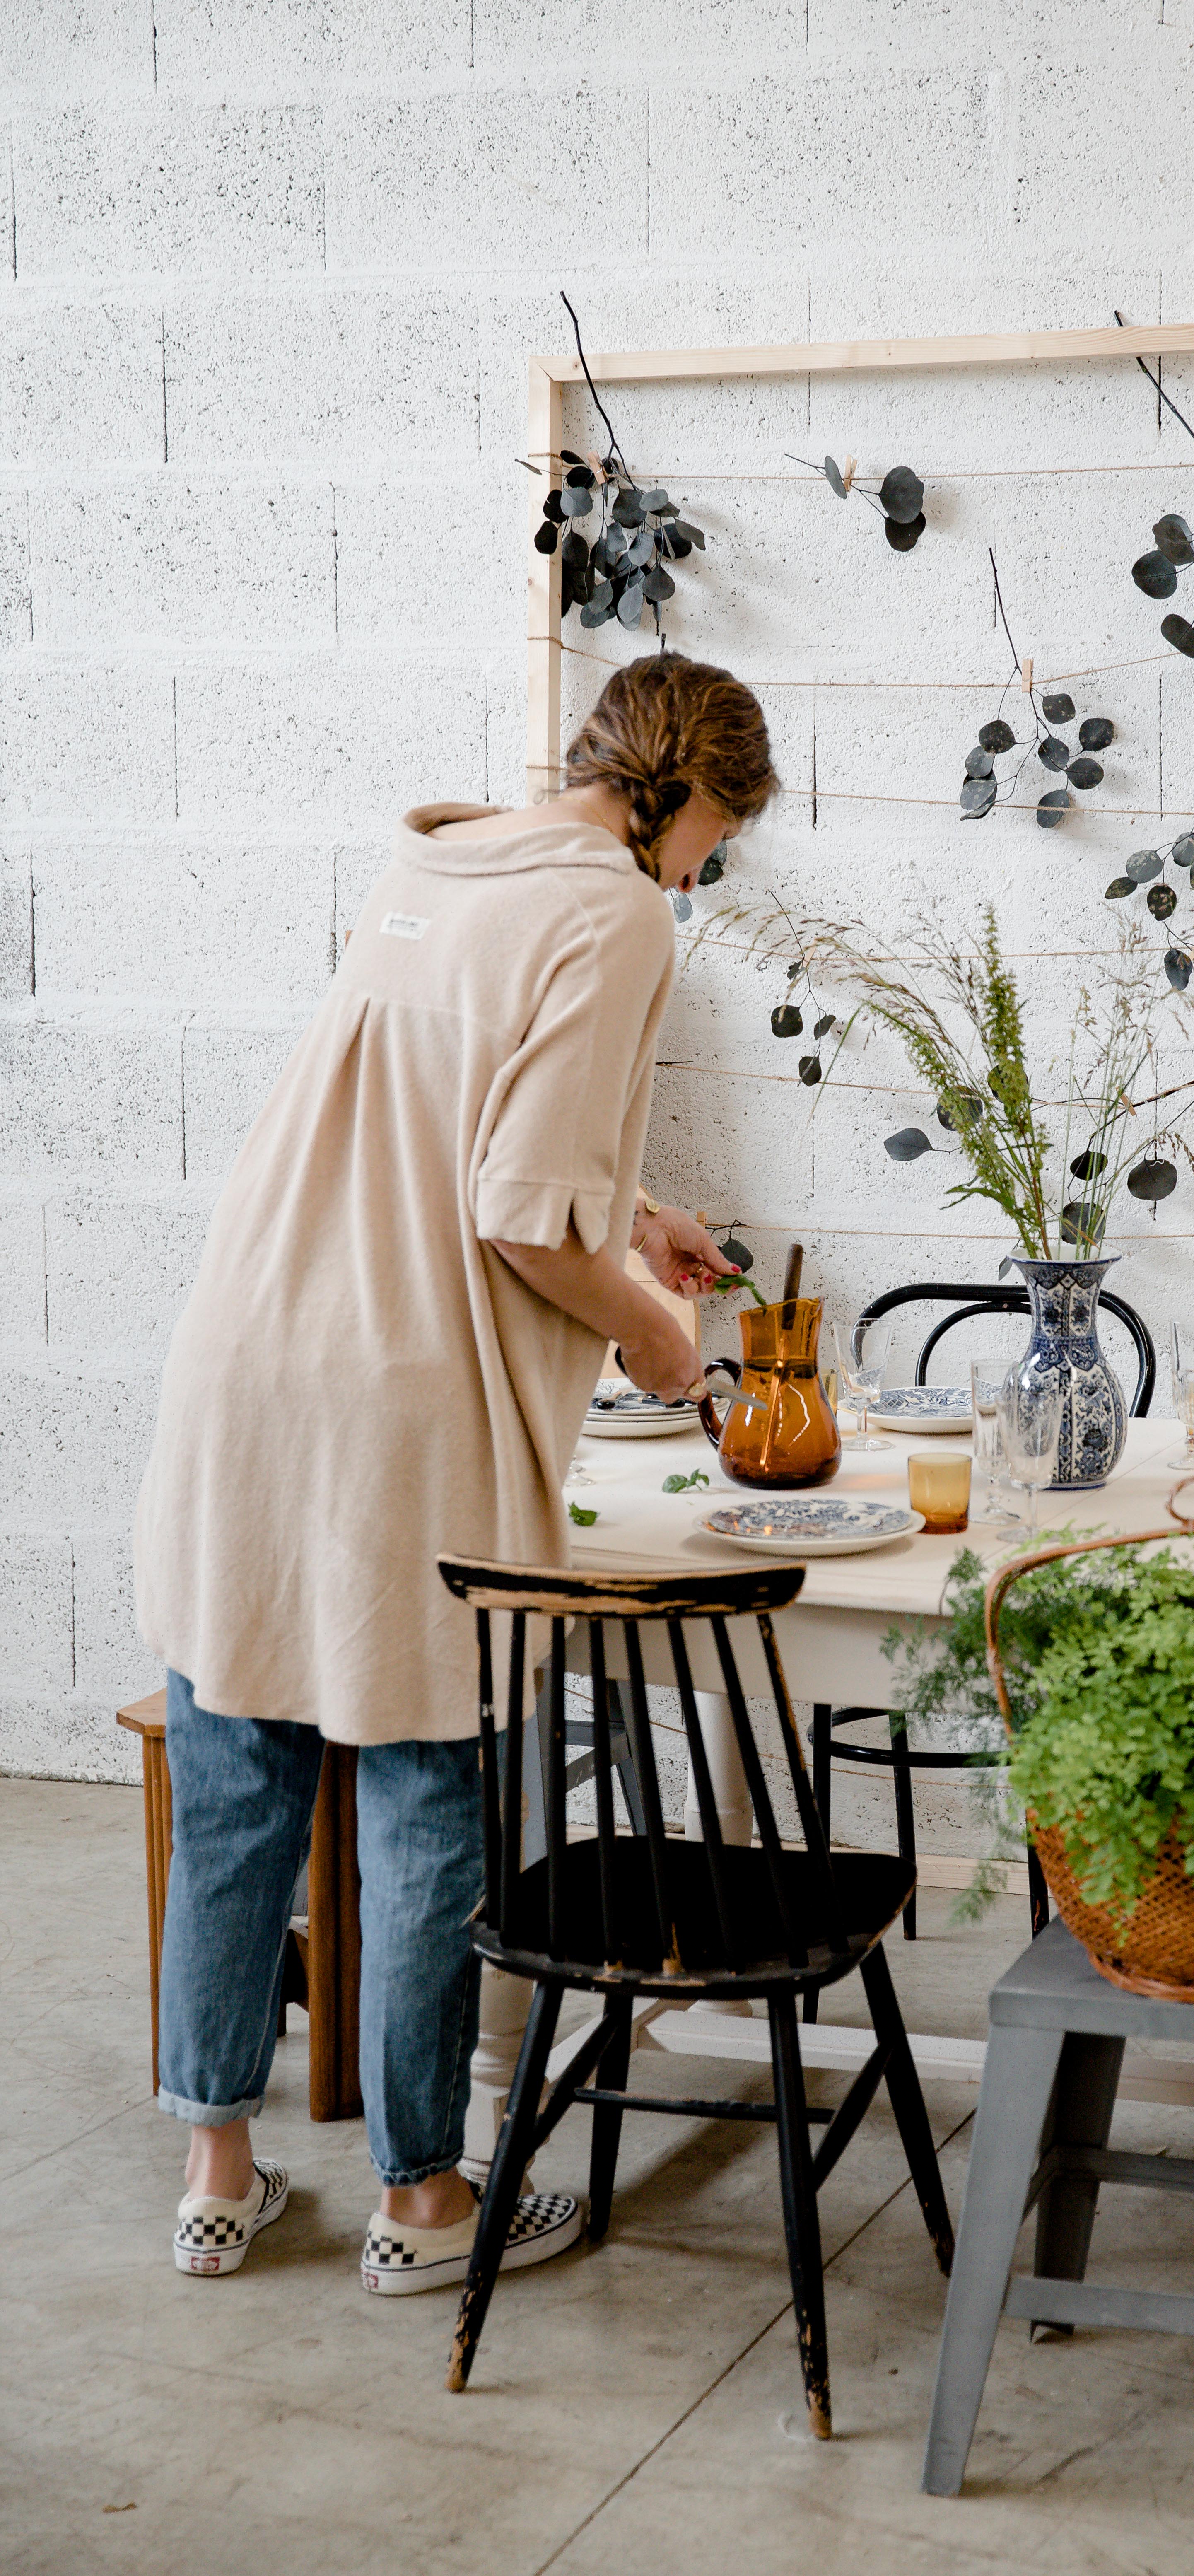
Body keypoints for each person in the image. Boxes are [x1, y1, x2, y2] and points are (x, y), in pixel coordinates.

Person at [133, 652, 777, 2293]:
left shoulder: (439, 861)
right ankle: (420, 2201)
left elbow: (436, 1119)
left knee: (239, 1779)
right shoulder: (621, 914)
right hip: (399, 1397)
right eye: (721, 835)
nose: (710, 872)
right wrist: (659, 1338)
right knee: (427, 1795)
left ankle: (217, 2172)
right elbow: (502, 1214)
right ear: (683, 797)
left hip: (247, 1352)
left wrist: (631, 1209)